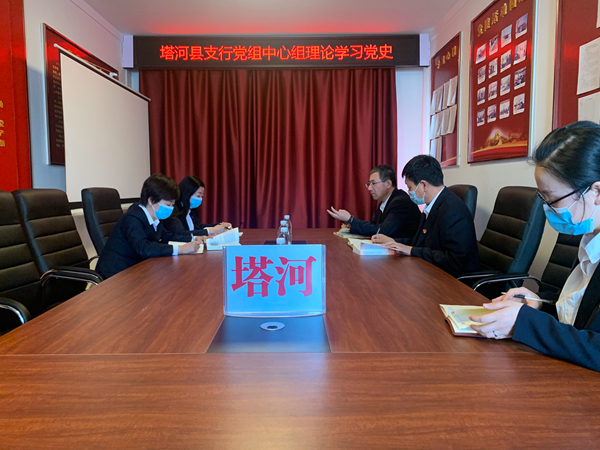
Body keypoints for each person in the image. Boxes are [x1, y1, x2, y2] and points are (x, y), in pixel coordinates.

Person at [469, 121, 600, 372]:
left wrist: (525, 322)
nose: (546, 209)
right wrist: (540, 304)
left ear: (597, 192)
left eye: (553, 199)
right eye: (543, 198)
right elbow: (582, 319)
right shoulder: (588, 236)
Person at [373, 155, 480, 277]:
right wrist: (394, 242)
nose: (409, 192)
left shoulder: (453, 210)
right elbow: (421, 242)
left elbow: (454, 260)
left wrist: (411, 250)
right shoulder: (433, 205)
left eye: (410, 187)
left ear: (424, 185)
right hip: (431, 271)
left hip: (455, 280)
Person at [96, 174, 202, 279]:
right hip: (116, 274)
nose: (171, 208)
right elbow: (144, 248)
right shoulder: (132, 218)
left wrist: (194, 239)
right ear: (151, 200)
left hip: (137, 269)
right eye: (167, 205)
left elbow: (168, 236)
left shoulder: (155, 217)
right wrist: (180, 249)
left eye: (172, 205)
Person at [326, 164, 421, 239]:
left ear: (388, 184)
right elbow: (374, 225)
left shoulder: (400, 202)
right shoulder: (384, 202)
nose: (369, 188)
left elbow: (382, 231)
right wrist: (351, 225)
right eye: (369, 184)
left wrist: (351, 219)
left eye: (373, 183)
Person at [164, 175, 231, 237]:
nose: (200, 199)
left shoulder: (191, 209)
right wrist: (211, 231)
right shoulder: (173, 209)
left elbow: (198, 226)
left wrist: (219, 225)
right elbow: (181, 233)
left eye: (202, 196)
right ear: (187, 193)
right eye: (198, 196)